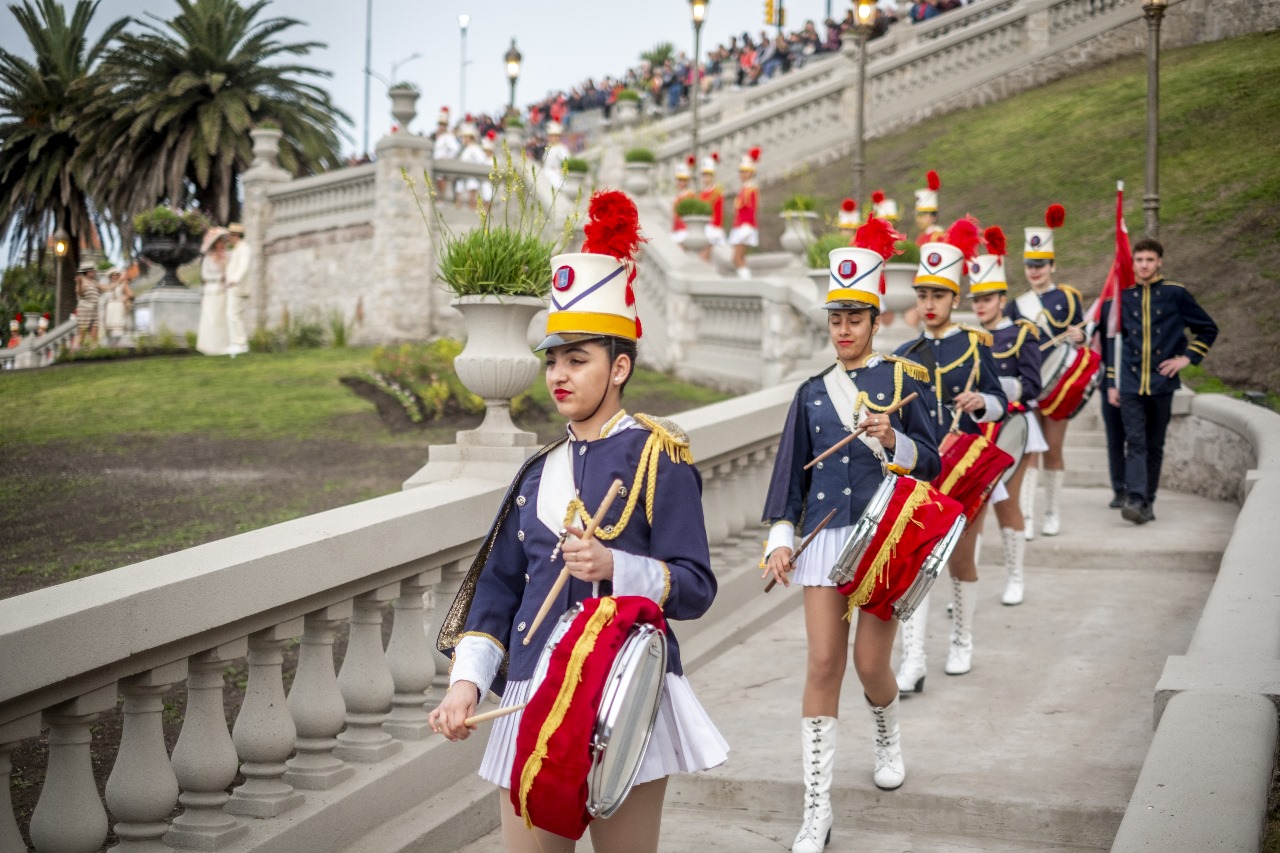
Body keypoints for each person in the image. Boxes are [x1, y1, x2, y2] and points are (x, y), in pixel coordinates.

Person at [429, 191, 727, 853]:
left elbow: (697, 585)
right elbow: (498, 595)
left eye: (578, 359)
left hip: (626, 689)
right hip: (534, 691)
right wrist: (464, 687)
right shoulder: (538, 472)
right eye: (553, 360)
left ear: (619, 367)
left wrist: (617, 567)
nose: (559, 375)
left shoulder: (659, 456)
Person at [762, 219, 940, 853]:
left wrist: (894, 440)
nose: (843, 329)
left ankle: (887, 728)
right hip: (822, 543)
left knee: (870, 664)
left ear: (874, 320)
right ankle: (817, 809)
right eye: (835, 317)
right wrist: (781, 541)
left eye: (855, 318)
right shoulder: (810, 395)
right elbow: (788, 484)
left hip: (884, 538)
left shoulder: (903, 384)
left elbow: (936, 463)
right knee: (822, 663)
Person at [894, 217, 1007, 685]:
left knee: (960, 557)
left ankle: (962, 639)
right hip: (921, 469)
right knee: (915, 561)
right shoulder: (905, 352)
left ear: (954, 298)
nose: (929, 304)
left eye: (937, 296)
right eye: (923, 296)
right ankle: (914, 659)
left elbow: (1001, 400)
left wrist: (982, 403)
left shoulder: (976, 346)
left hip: (965, 466)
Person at [1101, 238, 1217, 525]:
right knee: (1136, 442)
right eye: (1139, 260)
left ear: (1159, 262)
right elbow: (1114, 342)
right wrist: (1113, 382)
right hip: (1130, 383)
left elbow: (1207, 329)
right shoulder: (1124, 297)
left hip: (1161, 383)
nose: (1144, 265)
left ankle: (1147, 502)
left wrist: (1186, 358)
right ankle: (1136, 498)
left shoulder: (1176, 294)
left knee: (1154, 444)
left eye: (1149, 260)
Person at [967, 226, 1047, 605]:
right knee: (970, 509)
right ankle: (966, 578)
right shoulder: (966, 338)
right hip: (976, 432)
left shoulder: (1021, 334)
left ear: (1001, 298)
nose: (980, 305)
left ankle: (1016, 576)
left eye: (987, 298)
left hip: (1014, 428)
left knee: (1006, 503)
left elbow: (1033, 386)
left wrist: (992, 393)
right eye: (975, 299)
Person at [1007, 204, 1083, 539]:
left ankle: (1052, 511)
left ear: (1052, 265)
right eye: (1030, 265)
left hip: (1058, 385)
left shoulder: (1067, 299)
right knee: (1028, 453)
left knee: (1052, 449)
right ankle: (1027, 514)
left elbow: (1080, 338)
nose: (1035, 271)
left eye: (1040, 265)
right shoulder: (1016, 305)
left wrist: (1082, 336)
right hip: (1028, 385)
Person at [196, 228, 230, 356]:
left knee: (222, 319)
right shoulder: (208, 258)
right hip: (211, 290)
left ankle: (223, 346)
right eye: (219, 242)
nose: (222, 244)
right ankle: (210, 347)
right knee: (211, 319)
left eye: (223, 242)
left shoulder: (227, 256)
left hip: (223, 291)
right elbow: (205, 275)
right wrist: (218, 277)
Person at [729, 147, 761, 280]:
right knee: (739, 257)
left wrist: (747, 226)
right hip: (740, 225)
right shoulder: (744, 189)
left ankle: (746, 281)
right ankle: (745, 279)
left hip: (745, 226)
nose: (743, 174)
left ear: (751, 172)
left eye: (746, 172)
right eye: (741, 171)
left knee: (737, 257)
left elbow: (752, 209)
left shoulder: (751, 189)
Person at [225, 223, 250, 356]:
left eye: (230, 235)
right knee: (233, 315)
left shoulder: (244, 248)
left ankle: (240, 343)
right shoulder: (236, 248)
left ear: (236, 235)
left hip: (237, 286)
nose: (228, 238)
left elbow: (243, 266)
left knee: (234, 315)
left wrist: (235, 279)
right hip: (233, 286)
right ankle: (237, 343)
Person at [698, 152, 726, 263]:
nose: (706, 177)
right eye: (704, 175)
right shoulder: (701, 193)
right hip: (704, 226)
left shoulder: (716, 192)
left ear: (713, 176)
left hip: (712, 226)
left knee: (704, 254)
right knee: (703, 255)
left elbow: (718, 212)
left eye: (708, 175)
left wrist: (716, 227)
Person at [456, 122, 488, 210]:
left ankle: (472, 206)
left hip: (473, 176)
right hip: (464, 176)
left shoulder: (475, 148)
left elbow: (482, 160)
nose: (464, 139)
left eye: (465, 137)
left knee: (472, 187)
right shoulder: (465, 149)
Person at [432, 107, 461, 198]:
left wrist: (447, 157)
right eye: (440, 124)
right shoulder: (438, 137)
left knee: (441, 181)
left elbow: (456, 148)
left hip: (442, 162)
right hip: (436, 161)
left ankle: (441, 198)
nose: (441, 127)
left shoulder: (448, 136)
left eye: (443, 125)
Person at [671, 156, 696, 248]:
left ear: (687, 181)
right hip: (676, 228)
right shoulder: (677, 196)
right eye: (679, 180)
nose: (681, 182)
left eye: (683, 180)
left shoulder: (690, 195)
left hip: (685, 229)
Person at [74, 263, 99, 348]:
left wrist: (118, 282)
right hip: (85, 310)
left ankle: (94, 352)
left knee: (94, 334)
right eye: (92, 271)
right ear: (87, 272)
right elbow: (79, 294)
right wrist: (79, 284)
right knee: (82, 334)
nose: (94, 272)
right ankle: (76, 353)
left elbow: (105, 288)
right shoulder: (82, 281)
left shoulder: (93, 282)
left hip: (94, 310)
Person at [541, 121, 570, 190]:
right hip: (546, 173)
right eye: (551, 136)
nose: (553, 138)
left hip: (557, 174)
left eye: (555, 136)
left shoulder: (562, 148)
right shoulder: (548, 148)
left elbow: (566, 161)